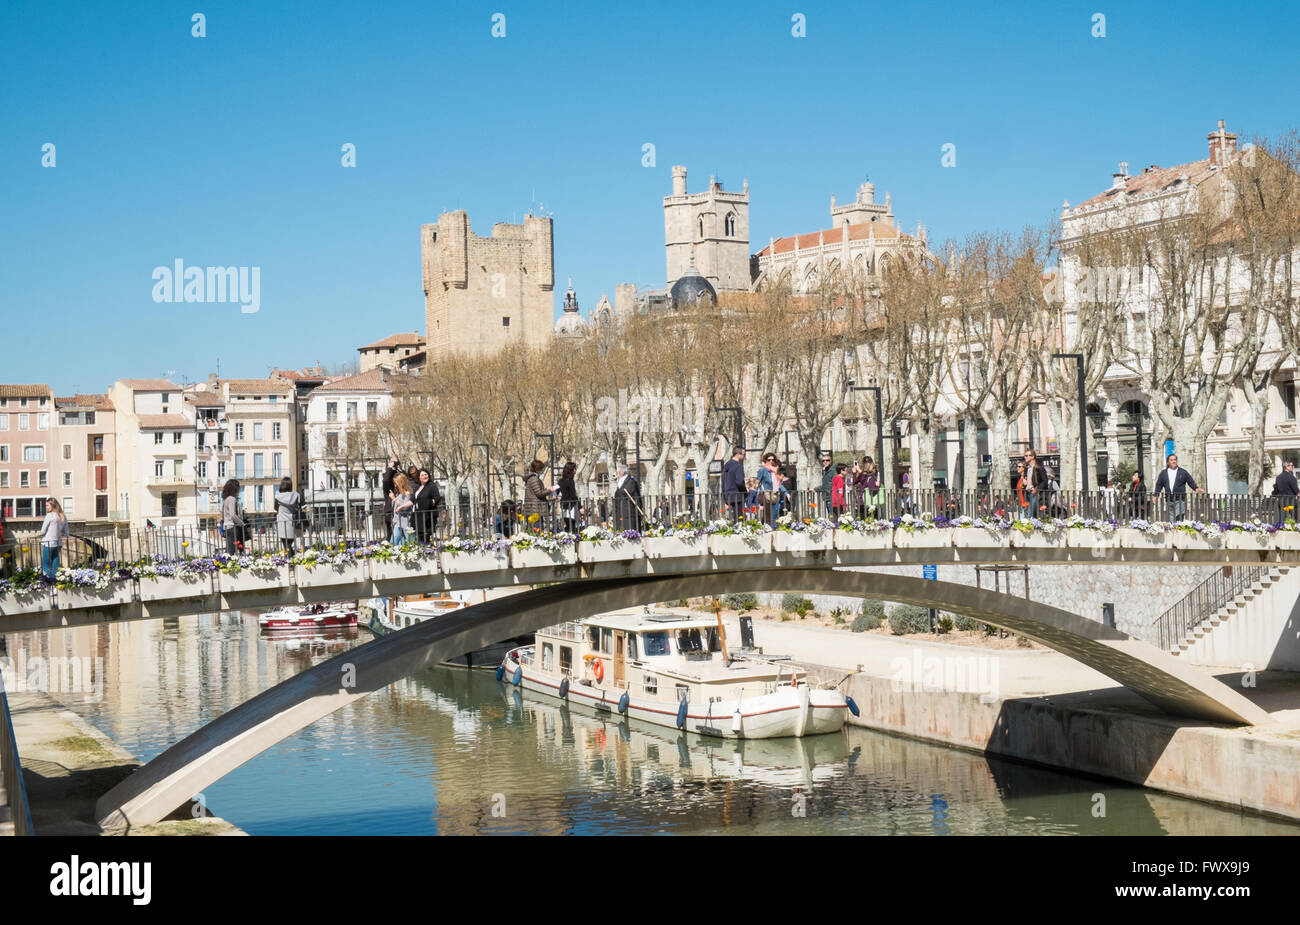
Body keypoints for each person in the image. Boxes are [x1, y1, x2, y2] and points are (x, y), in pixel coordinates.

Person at [1152, 453, 1202, 521]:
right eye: (1171, 460)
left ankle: (1179, 530)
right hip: (1169, 499)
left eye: (1175, 460)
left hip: (1180, 499)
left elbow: (1190, 481)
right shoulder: (1163, 473)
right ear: (1168, 462)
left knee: (1179, 518)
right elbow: (1159, 485)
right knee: (1171, 520)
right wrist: (1155, 496)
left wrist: (1196, 488)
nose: (1174, 461)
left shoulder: (1183, 472)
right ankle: (1173, 531)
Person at [40, 498, 69, 578]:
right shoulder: (62, 515)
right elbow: (66, 532)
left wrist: (43, 534)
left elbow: (42, 531)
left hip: (49, 543)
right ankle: (57, 578)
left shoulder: (49, 516)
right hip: (58, 543)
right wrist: (59, 533)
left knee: (45, 564)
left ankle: (51, 579)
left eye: (47, 505)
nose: (46, 507)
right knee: (55, 563)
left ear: (52, 505)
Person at [412, 468, 441, 543]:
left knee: (426, 537)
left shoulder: (432, 486)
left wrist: (425, 503)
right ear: (419, 477)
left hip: (427, 516)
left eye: (426, 474)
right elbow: (413, 500)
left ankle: (427, 551)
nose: (425, 476)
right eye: (422, 475)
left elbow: (437, 498)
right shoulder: (418, 487)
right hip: (418, 515)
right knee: (418, 537)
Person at [272, 477, 301, 553]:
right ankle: (292, 559)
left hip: (282, 523)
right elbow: (300, 507)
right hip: (293, 523)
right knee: (289, 545)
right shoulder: (296, 495)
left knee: (286, 545)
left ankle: (291, 560)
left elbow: (275, 508)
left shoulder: (278, 497)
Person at [521, 459, 552, 529]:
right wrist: (550, 490)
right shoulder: (534, 479)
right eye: (541, 468)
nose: (542, 470)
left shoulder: (533, 478)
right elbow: (539, 493)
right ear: (538, 469)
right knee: (537, 529)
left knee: (536, 528)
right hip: (535, 508)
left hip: (535, 507)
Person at [613, 463, 642, 531]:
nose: (616, 473)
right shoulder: (620, 482)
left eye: (617, 471)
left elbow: (636, 498)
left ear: (620, 472)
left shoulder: (631, 482)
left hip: (629, 515)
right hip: (620, 515)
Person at [220, 478, 245, 554]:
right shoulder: (231, 499)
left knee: (230, 549)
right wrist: (241, 523)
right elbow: (233, 515)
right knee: (232, 551)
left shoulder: (226, 499)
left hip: (227, 527)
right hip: (232, 527)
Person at [721, 448, 747, 518]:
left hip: (728, 495)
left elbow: (723, 482)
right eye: (743, 454)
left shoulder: (726, 465)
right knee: (739, 518)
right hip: (737, 495)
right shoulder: (738, 466)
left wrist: (725, 497)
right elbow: (739, 482)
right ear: (738, 454)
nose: (744, 457)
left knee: (731, 518)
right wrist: (745, 492)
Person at [390, 473, 414, 544]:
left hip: (406, 523)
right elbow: (396, 509)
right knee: (394, 541)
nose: (395, 485)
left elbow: (404, 508)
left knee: (411, 542)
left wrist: (394, 499)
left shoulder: (408, 493)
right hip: (398, 522)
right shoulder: (399, 494)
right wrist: (394, 520)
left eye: (396, 483)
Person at [557, 462, 580, 533]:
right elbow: (573, 495)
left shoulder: (560, 481)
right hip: (571, 506)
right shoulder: (570, 481)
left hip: (563, 505)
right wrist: (580, 507)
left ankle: (566, 538)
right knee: (572, 525)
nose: (575, 471)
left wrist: (554, 496)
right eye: (574, 469)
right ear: (571, 470)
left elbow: (556, 491)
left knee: (567, 524)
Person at [381, 458, 399, 537]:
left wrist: (394, 468)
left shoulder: (397, 476)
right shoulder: (388, 485)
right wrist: (390, 468)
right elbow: (386, 480)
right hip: (390, 511)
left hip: (400, 510)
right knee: (392, 535)